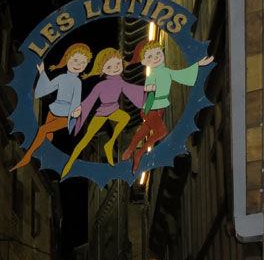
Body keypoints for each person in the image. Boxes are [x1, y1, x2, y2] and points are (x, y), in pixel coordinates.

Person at [123, 40, 214, 174]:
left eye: (158, 54)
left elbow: (183, 74)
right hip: (151, 109)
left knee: (144, 130)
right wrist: (147, 107)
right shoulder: (151, 76)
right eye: (150, 57)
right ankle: (139, 153)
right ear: (145, 62)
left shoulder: (167, 72)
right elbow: (149, 94)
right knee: (162, 132)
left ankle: (131, 150)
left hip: (159, 109)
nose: (155, 58)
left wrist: (199, 64)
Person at [61, 47, 146, 177]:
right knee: (86, 138)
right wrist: (79, 109)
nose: (115, 68)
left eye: (117, 64)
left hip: (114, 110)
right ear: (103, 69)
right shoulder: (101, 85)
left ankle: (110, 143)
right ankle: (70, 163)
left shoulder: (120, 82)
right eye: (110, 66)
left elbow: (132, 89)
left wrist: (147, 89)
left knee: (125, 117)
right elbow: (90, 99)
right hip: (102, 113)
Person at [11, 43, 92, 170]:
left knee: (43, 130)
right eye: (76, 60)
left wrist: (75, 112)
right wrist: (42, 72)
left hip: (65, 115)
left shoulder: (77, 82)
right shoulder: (62, 77)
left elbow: (76, 100)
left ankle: (27, 156)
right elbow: (47, 88)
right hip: (54, 110)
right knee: (48, 135)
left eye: (83, 62)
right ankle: (45, 157)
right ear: (67, 59)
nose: (78, 64)